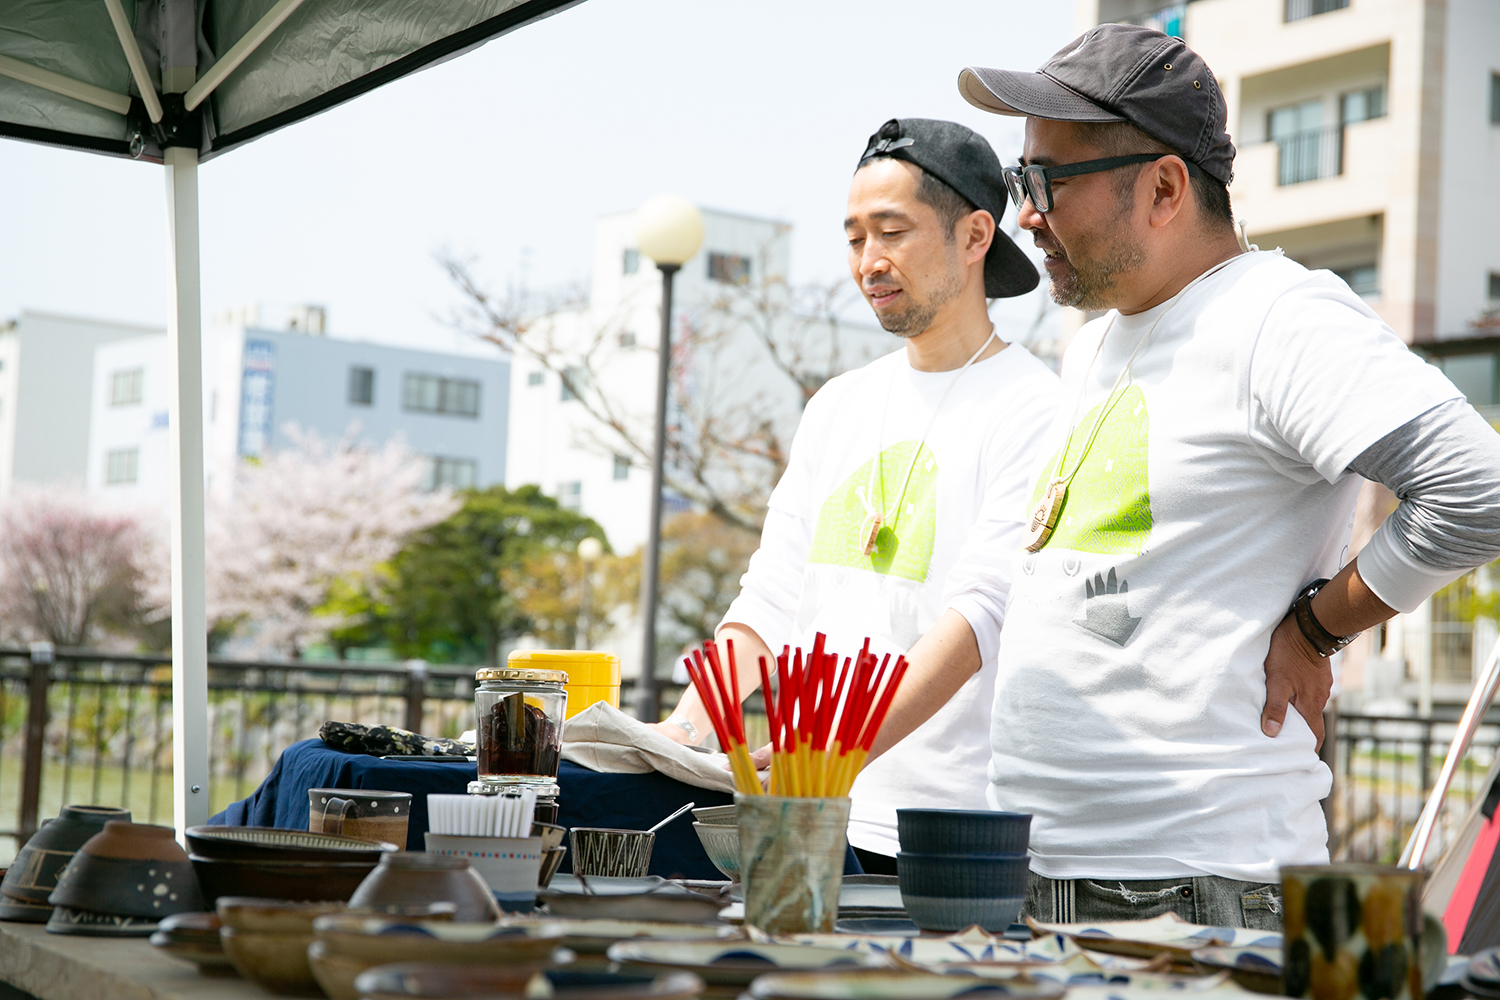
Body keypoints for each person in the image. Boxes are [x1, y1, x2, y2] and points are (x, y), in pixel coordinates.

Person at [860, 24, 1500, 925]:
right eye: (1019, 181)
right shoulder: (1094, 345)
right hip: (1044, 880)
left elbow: (1478, 490)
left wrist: (1318, 629)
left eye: (1046, 183)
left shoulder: (1277, 316)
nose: (1026, 216)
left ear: (1163, 188)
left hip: (1194, 892)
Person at [650, 118, 1062, 873]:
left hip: (941, 833)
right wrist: (684, 731)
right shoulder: (838, 404)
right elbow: (771, 596)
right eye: (853, 238)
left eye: (892, 232)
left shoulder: (1036, 406)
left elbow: (980, 617)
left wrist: (833, 756)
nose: (870, 261)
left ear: (976, 236)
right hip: (805, 815)